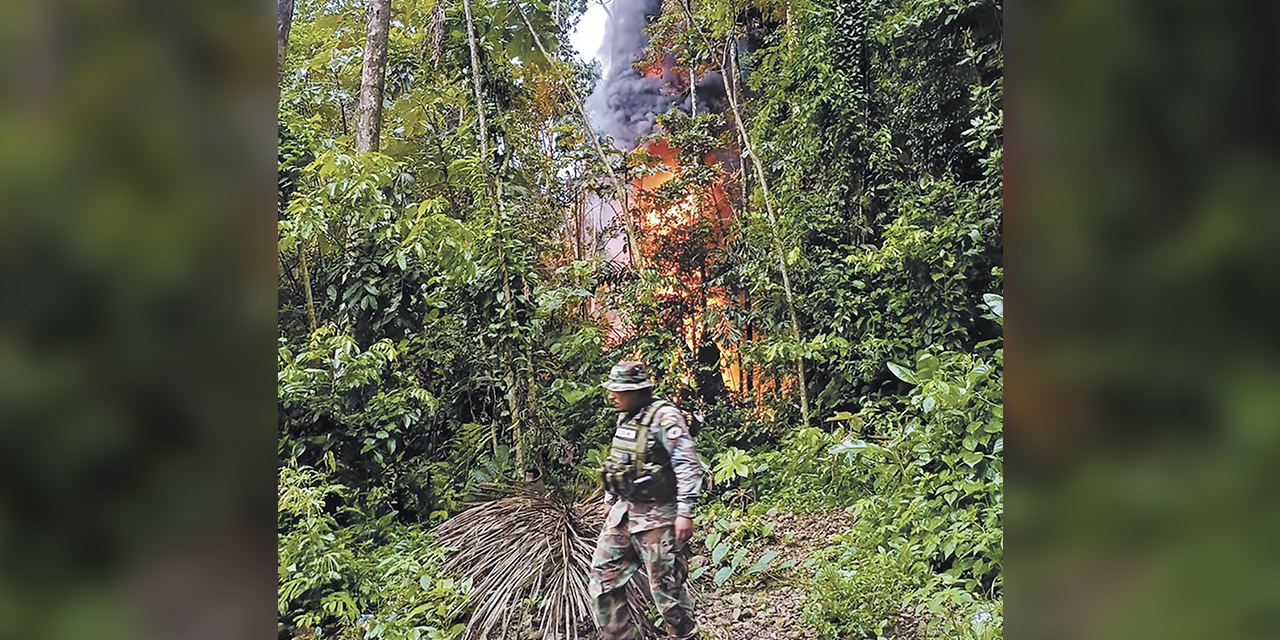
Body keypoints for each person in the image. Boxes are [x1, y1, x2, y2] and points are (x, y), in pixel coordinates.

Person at [589, 360, 703, 640]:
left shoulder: (664, 416)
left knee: (667, 596)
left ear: (638, 390)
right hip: (624, 515)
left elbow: (688, 464)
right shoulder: (626, 416)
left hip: (659, 518)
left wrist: (685, 512)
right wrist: (610, 497)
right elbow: (619, 461)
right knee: (602, 583)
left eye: (618, 390)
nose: (611, 395)